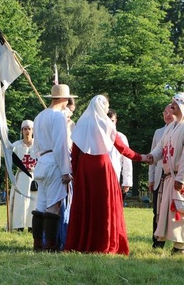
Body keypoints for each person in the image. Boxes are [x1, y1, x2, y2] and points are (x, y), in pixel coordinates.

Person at [64, 95, 147, 255]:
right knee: (105, 205)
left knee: (86, 204)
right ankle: (105, 242)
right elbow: (122, 148)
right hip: (103, 167)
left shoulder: (81, 124)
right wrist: (141, 157)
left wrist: (75, 172)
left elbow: (75, 154)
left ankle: (83, 242)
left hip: (85, 168)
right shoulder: (107, 124)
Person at [148, 93, 184, 255]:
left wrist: (182, 178)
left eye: (174, 103)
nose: (171, 106)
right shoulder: (172, 126)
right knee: (171, 214)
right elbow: (161, 147)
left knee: (181, 212)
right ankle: (179, 246)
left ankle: (181, 247)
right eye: (171, 103)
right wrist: (151, 157)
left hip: (182, 178)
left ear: (183, 105)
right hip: (170, 178)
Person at [31, 84, 76, 251]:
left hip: (41, 161)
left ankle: (37, 244)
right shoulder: (58, 117)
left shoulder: (39, 116)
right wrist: (66, 170)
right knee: (54, 205)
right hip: (54, 163)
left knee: (41, 205)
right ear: (64, 99)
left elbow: (35, 146)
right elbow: (60, 145)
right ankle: (50, 244)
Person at [148, 103, 174, 249]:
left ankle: (179, 241)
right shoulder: (158, 132)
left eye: (170, 112)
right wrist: (151, 179)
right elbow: (153, 156)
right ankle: (157, 243)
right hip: (160, 177)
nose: (167, 115)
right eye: (164, 112)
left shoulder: (182, 129)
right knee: (156, 211)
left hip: (173, 176)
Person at [9, 120, 38, 232]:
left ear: (33, 131)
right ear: (22, 131)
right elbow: (6, 153)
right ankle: (19, 226)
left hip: (34, 177)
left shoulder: (38, 145)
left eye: (29, 129)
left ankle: (32, 226)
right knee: (20, 202)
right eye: (25, 129)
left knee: (34, 202)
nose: (27, 131)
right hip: (21, 177)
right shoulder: (16, 145)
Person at [107, 109, 133, 200]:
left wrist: (127, 181)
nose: (110, 123)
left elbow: (127, 161)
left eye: (112, 121)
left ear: (116, 121)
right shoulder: (98, 137)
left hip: (115, 176)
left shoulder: (121, 137)